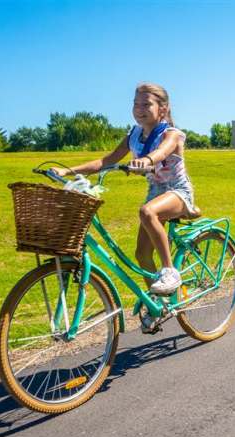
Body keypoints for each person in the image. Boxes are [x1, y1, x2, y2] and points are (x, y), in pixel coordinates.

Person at [50, 83, 196, 296]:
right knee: (142, 255)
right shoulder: (134, 135)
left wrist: (145, 160)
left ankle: (170, 272)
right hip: (155, 191)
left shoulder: (172, 134)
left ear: (162, 109)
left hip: (178, 190)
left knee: (147, 211)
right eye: (136, 104)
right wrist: (67, 172)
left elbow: (162, 153)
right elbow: (106, 160)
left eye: (146, 104)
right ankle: (159, 303)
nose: (139, 109)